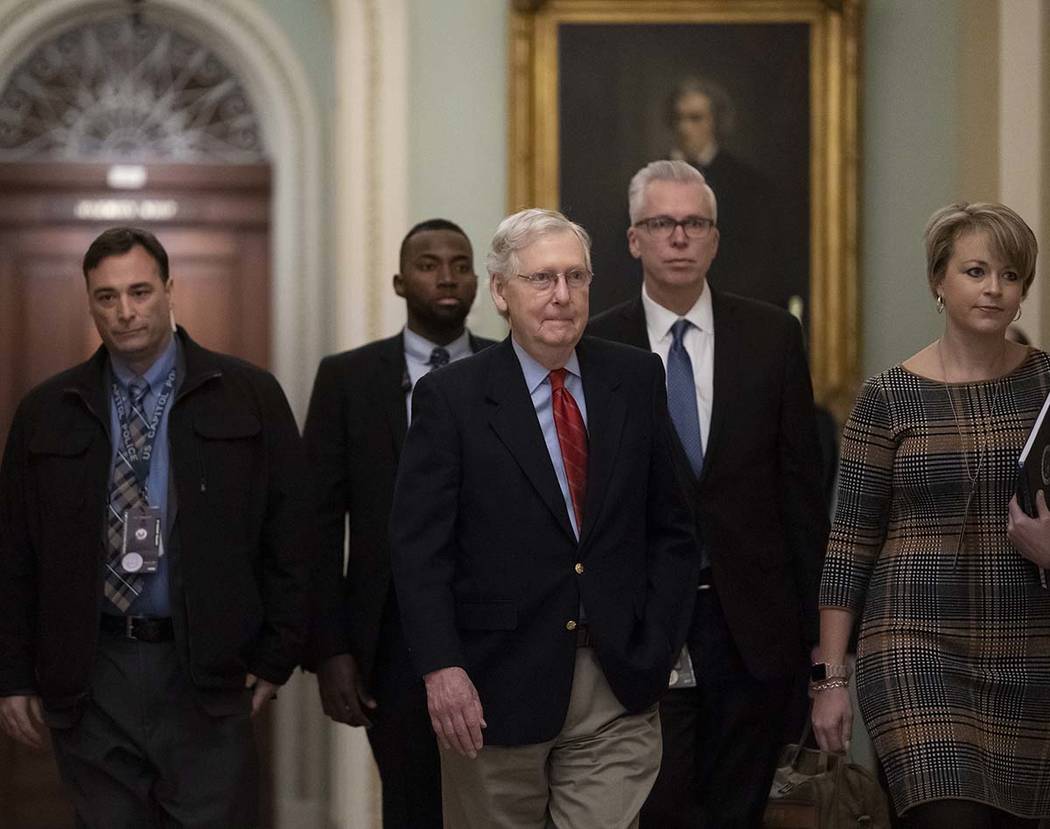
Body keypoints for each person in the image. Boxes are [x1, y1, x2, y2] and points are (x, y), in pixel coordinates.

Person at [390, 208, 698, 828]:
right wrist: (441, 668)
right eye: (542, 279)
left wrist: (658, 638)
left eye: (576, 277)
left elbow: (674, 526)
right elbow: (420, 549)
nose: (562, 296)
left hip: (616, 679)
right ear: (501, 293)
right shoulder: (452, 397)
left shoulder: (635, 377)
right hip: (492, 687)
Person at [0, 226, 312, 827]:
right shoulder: (48, 410)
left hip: (205, 671)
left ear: (171, 290)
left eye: (140, 292)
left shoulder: (247, 395)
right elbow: (13, 552)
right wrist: (12, 674)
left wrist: (277, 655)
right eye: (107, 297)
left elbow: (293, 536)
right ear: (89, 301)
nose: (125, 312)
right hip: (92, 670)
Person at [587, 159, 829, 828]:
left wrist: (820, 640)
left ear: (715, 239)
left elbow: (801, 494)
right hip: (644, 626)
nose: (679, 237)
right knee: (661, 808)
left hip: (754, 625)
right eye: (661, 223)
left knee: (738, 811)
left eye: (695, 223)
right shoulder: (596, 343)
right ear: (634, 238)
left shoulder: (772, 336)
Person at [812, 202, 1050, 828]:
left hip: (1030, 649)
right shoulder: (888, 396)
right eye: (975, 271)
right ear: (938, 282)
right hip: (913, 648)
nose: (994, 288)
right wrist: (830, 680)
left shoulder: (1047, 388)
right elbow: (850, 542)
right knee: (946, 816)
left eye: (1010, 274)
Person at [302, 218, 494, 827]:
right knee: (412, 804)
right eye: (429, 264)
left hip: (500, 630)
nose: (446, 276)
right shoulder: (348, 380)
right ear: (398, 281)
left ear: (479, 282)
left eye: (461, 264)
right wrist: (330, 649)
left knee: (498, 806)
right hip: (388, 639)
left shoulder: (509, 369)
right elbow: (316, 524)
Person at [666, 76, 796, 311]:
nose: (684, 128)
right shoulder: (653, 180)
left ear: (715, 123)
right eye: (679, 119)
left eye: (695, 118)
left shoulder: (749, 185)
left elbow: (761, 264)